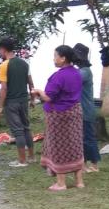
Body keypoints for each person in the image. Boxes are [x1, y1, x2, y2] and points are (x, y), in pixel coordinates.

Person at [31, 45, 85, 191]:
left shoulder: (59, 76)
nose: (53, 59)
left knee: (58, 146)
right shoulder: (77, 73)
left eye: (55, 56)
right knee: (75, 145)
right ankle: (79, 181)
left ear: (63, 58)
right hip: (74, 113)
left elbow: (48, 97)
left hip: (59, 115)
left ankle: (61, 183)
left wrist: (38, 91)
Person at [0, 38, 36, 167]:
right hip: (23, 100)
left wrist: (0, 107)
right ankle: (31, 156)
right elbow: (31, 83)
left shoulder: (3, 66)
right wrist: (33, 99)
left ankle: (22, 161)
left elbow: (4, 88)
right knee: (26, 128)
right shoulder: (24, 63)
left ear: (3, 49)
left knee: (18, 131)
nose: (0, 52)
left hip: (11, 102)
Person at [73, 42, 101, 173]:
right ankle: (83, 164)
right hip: (81, 110)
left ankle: (94, 165)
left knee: (88, 138)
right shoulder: (81, 71)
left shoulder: (85, 72)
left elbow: (73, 79)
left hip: (86, 111)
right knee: (81, 138)